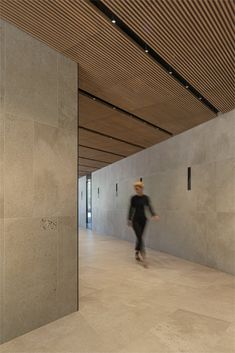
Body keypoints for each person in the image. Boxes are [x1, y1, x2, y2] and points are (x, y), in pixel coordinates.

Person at [128, 181, 160, 264]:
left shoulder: (146, 198)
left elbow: (149, 207)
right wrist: (129, 219)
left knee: (140, 237)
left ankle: (136, 253)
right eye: (135, 189)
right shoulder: (133, 198)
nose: (136, 190)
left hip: (143, 220)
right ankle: (143, 253)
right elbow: (131, 209)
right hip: (135, 220)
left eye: (138, 189)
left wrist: (153, 214)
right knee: (139, 236)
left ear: (142, 188)